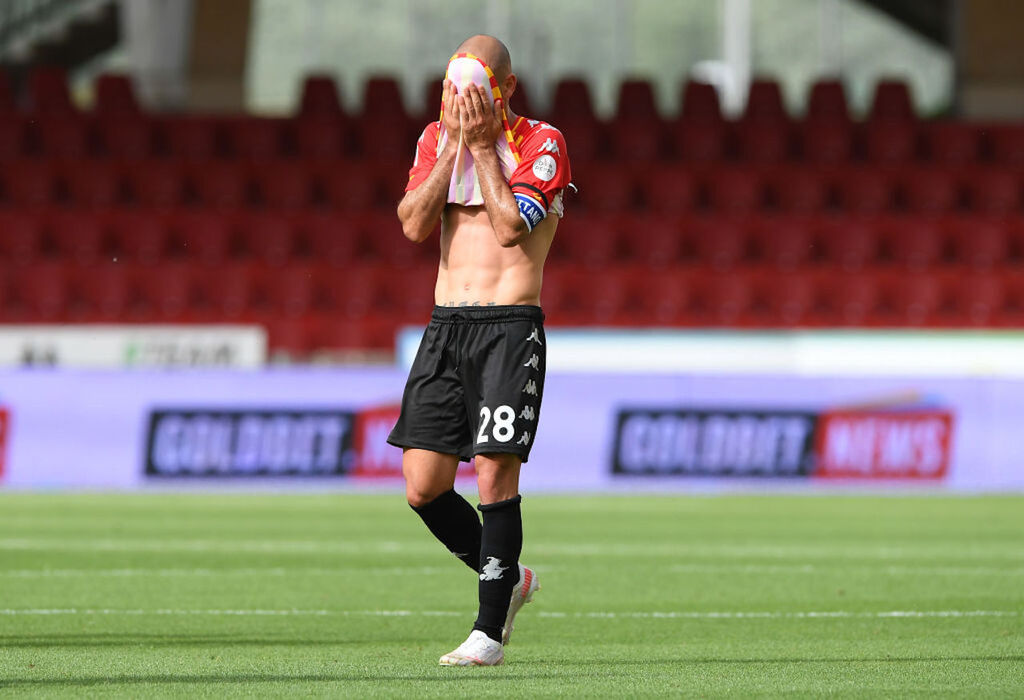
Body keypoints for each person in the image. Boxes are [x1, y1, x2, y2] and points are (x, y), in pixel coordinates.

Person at [387, 34, 572, 667]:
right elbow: (413, 225)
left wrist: (486, 146)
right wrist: (453, 146)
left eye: (476, 88)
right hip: (446, 326)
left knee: (494, 473)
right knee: (423, 486)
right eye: (452, 88)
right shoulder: (434, 140)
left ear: (506, 88)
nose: (462, 102)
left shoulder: (542, 143)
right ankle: (511, 577)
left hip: (508, 327)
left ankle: (487, 632)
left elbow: (509, 226)